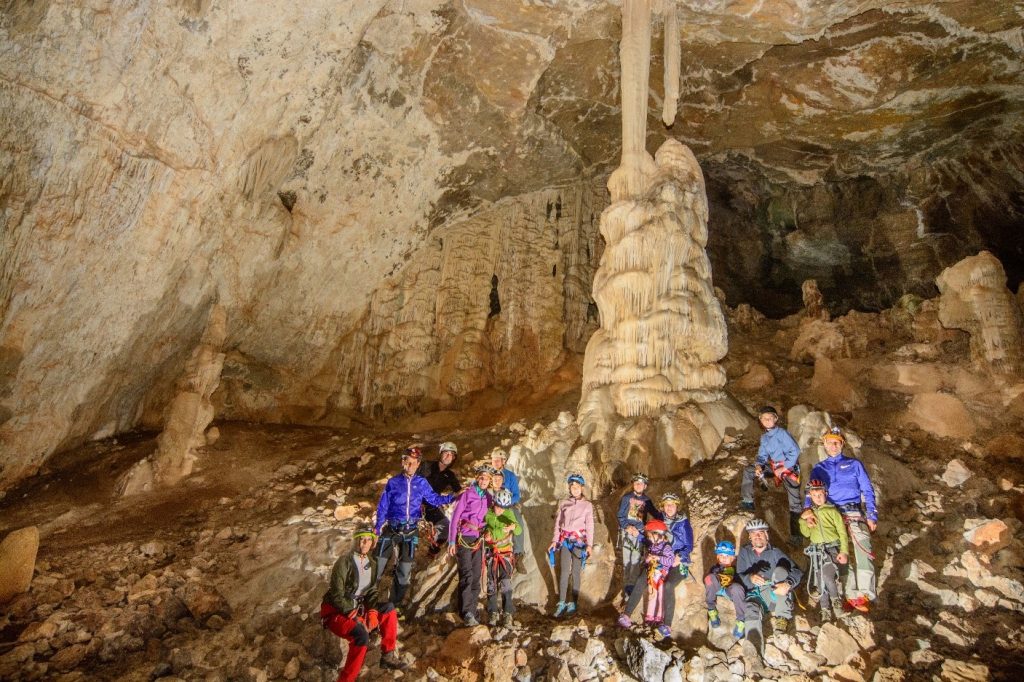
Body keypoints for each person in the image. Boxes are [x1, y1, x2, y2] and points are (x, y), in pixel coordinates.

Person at [320, 527, 408, 681]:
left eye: (368, 539)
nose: (365, 543)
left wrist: (373, 611)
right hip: (336, 610)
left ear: (373, 542)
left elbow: (372, 590)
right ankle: (346, 679)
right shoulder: (344, 562)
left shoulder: (372, 563)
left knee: (388, 609)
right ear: (356, 541)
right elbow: (336, 593)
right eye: (362, 539)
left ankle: (387, 656)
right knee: (361, 635)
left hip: (358, 607)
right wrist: (351, 613)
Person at [806, 426, 878, 612]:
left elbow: (867, 489)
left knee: (863, 550)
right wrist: (807, 512)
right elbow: (811, 492)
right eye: (829, 442)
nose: (833, 446)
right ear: (825, 445)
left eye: (836, 442)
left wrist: (871, 514)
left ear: (842, 444)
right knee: (840, 554)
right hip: (830, 514)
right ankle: (850, 594)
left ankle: (865, 594)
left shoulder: (854, 465)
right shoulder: (819, 469)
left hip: (853, 511)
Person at [374, 447, 454, 605]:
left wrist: (454, 498)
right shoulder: (393, 482)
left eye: (413, 463)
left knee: (404, 571)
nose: (410, 466)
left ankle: (394, 605)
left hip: (410, 531)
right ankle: (367, 601)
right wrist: (377, 528)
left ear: (418, 465)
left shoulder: (421, 483)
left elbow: (434, 499)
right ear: (403, 462)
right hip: (392, 528)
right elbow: (383, 505)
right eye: (407, 462)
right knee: (377, 564)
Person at [736, 518, 802, 655]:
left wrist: (788, 583)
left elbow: (797, 571)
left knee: (781, 572)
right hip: (756, 595)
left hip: (773, 596)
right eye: (754, 534)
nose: (757, 536)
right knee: (751, 608)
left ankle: (782, 619)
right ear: (750, 537)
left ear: (767, 535)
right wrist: (750, 577)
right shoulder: (745, 552)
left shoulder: (775, 552)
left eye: (760, 533)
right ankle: (754, 651)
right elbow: (739, 575)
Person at [740, 405, 803, 545]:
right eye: (764, 419)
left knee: (795, 502)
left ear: (775, 419)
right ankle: (748, 501)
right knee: (749, 470)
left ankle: (797, 536)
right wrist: (758, 465)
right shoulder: (764, 438)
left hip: (789, 467)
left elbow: (795, 451)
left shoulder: (782, 434)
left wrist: (785, 467)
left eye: (770, 418)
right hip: (774, 466)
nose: (767, 421)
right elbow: (762, 455)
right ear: (760, 421)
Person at [448, 464, 494, 626]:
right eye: (482, 478)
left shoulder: (488, 498)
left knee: (476, 576)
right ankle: (466, 611)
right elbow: (455, 517)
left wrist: (489, 531)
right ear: (477, 478)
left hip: (478, 538)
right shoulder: (467, 494)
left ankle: (472, 611)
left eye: (487, 479)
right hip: (464, 537)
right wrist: (452, 541)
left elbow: (490, 518)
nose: (484, 481)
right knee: (466, 574)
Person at [799, 478, 849, 621]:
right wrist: (803, 520)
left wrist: (844, 551)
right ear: (810, 496)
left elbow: (842, 532)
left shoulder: (832, 511)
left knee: (827, 576)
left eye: (820, 494)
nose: (818, 498)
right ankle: (825, 609)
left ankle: (836, 602)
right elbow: (806, 534)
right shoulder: (810, 513)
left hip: (832, 549)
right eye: (814, 496)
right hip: (817, 551)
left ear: (825, 493)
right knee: (820, 580)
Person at [616, 519, 675, 636]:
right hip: (652, 573)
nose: (649, 539)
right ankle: (648, 618)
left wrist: (658, 558)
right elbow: (647, 558)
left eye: (650, 536)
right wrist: (648, 559)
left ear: (658, 535)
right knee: (652, 594)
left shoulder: (667, 547)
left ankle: (658, 618)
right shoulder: (653, 546)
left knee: (660, 595)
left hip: (661, 574)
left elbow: (670, 560)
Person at [548, 473, 594, 618]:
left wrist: (590, 544)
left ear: (582, 488)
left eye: (577, 487)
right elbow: (558, 524)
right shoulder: (564, 503)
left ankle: (573, 603)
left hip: (579, 542)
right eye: (572, 487)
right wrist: (555, 540)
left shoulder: (587, 505)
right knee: (564, 572)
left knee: (575, 572)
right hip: (565, 541)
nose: (575, 489)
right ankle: (561, 602)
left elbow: (590, 525)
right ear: (569, 488)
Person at [616, 473, 660, 597]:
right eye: (636, 483)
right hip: (627, 532)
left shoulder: (646, 500)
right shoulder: (627, 498)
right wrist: (627, 526)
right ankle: (625, 587)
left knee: (635, 559)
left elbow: (655, 513)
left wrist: (665, 518)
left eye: (641, 483)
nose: (638, 485)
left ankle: (631, 586)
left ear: (645, 486)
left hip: (639, 533)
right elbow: (620, 515)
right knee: (627, 560)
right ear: (633, 485)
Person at [483, 488, 522, 627]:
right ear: (494, 503)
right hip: (492, 553)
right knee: (491, 583)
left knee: (505, 582)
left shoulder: (509, 513)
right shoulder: (488, 513)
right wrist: (486, 532)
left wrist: (513, 527)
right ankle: (492, 611)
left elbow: (518, 529)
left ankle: (508, 613)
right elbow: (484, 526)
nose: (500, 510)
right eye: (498, 507)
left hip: (505, 553)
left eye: (503, 508)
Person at [418, 442, 462, 554]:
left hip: (431, 506)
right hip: (414, 505)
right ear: (440, 454)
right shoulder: (425, 465)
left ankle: (431, 551)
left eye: (451, 455)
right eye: (446, 453)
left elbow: (459, 492)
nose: (448, 456)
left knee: (446, 526)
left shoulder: (449, 475)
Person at [490, 451, 527, 571]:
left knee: (518, 521)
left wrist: (506, 503)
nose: (495, 462)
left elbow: (516, 495)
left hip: (508, 505)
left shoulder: (510, 475)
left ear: (503, 461)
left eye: (498, 460)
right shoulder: (489, 474)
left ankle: (518, 554)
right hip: (491, 504)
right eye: (493, 460)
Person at [704, 540, 746, 639]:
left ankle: (741, 621)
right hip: (717, 589)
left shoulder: (736, 569)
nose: (724, 558)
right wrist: (716, 575)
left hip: (728, 590)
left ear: (732, 558)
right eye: (721, 555)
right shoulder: (715, 568)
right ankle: (712, 610)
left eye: (727, 556)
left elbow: (740, 582)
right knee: (710, 578)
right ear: (718, 557)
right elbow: (711, 579)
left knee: (737, 588)